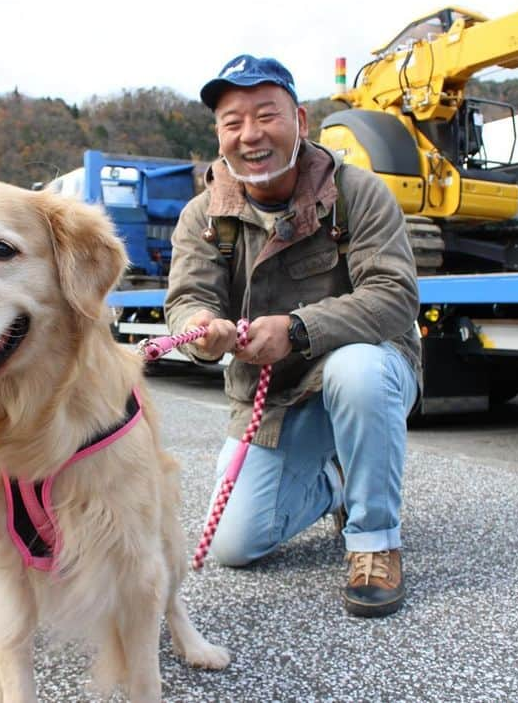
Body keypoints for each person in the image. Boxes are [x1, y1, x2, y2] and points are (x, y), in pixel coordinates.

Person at [164, 54, 422, 617]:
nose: (250, 135)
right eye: (232, 122)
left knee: (359, 370)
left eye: (266, 115)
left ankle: (374, 541)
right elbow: (188, 299)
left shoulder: (360, 193)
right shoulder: (202, 215)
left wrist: (300, 329)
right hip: (275, 395)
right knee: (234, 545)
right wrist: (199, 330)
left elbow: (395, 295)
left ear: (300, 119)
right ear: (219, 134)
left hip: (364, 370)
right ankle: (336, 480)